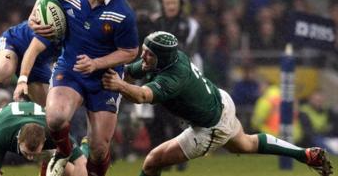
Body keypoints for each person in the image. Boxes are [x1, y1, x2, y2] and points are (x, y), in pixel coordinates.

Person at [102, 31, 333, 176]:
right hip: (221, 102)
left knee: (152, 161)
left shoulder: (172, 77)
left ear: (161, 58)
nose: (143, 58)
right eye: (143, 52)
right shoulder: (164, 60)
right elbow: (129, 73)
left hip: (209, 127)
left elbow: (142, 95)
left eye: (148, 54)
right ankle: (305, 155)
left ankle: (304, 155)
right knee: (245, 144)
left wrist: (118, 85)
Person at [28, 0, 139, 176]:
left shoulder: (122, 12)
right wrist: (33, 18)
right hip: (71, 69)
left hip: (105, 78)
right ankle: (64, 152)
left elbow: (130, 52)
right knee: (55, 117)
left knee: (99, 150)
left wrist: (96, 63)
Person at [0, 101, 87, 176]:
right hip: (3, 120)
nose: (29, 158)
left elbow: (81, 162)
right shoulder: (1, 135)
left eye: (34, 154)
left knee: (71, 169)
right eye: (26, 153)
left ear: (44, 140)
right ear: (18, 140)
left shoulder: (55, 133)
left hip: (38, 120)